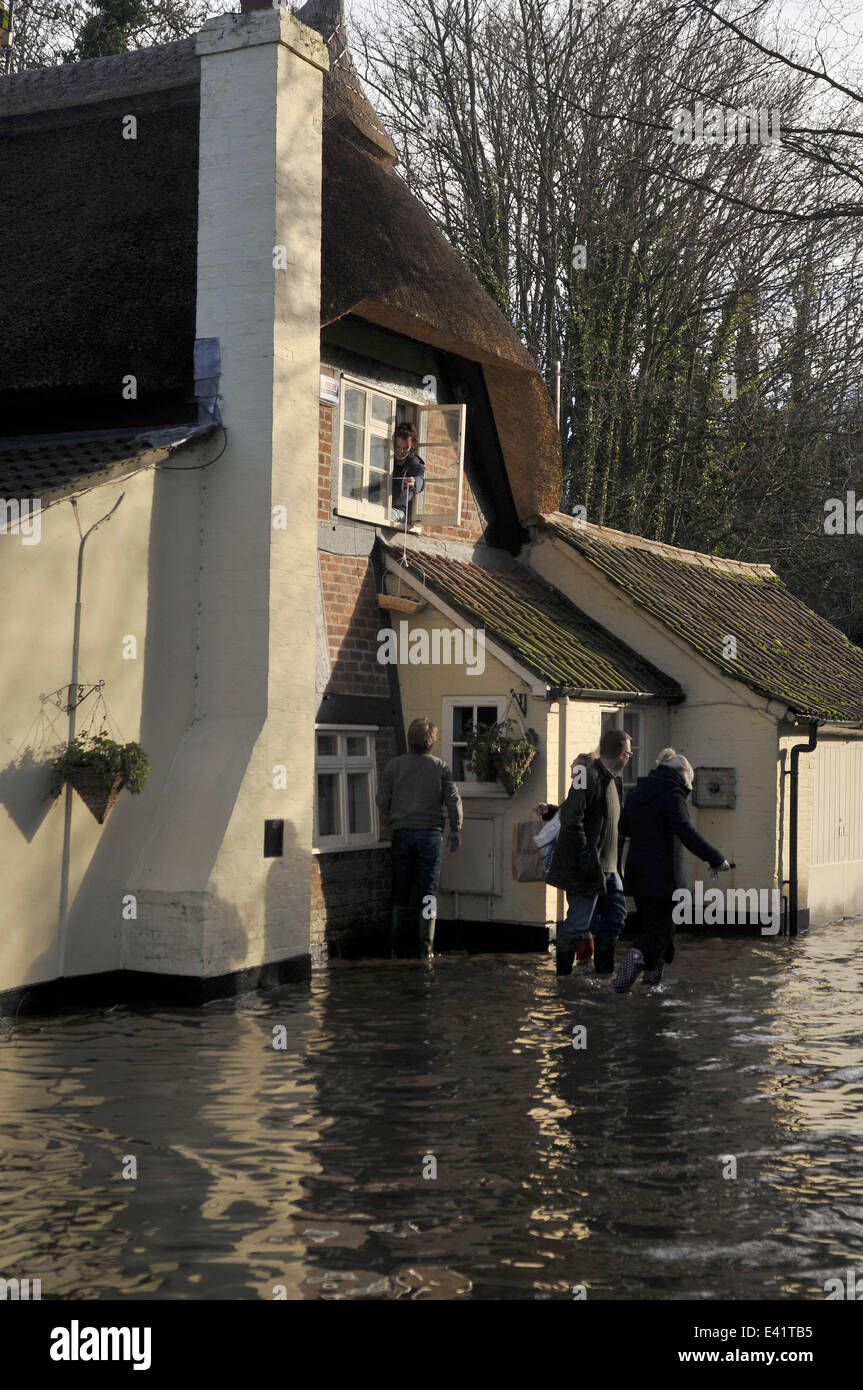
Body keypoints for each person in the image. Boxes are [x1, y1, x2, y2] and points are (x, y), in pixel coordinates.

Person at [611, 747, 731, 993]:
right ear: (684, 775)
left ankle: (651, 988)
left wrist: (620, 869)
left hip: (637, 875)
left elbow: (623, 828)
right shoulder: (672, 794)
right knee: (658, 934)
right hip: (664, 878)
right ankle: (619, 985)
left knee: (661, 934)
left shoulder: (636, 792)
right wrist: (716, 858)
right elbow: (686, 832)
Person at [543, 727, 632, 977]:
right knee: (576, 925)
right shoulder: (587, 773)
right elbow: (572, 816)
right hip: (590, 865)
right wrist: (585, 856)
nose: (629, 759)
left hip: (610, 867)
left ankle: (602, 974)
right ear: (622, 754)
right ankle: (563, 979)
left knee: (616, 917)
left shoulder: (613, 781)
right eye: (629, 754)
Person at [376, 717, 462, 958]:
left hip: (401, 834)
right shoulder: (441, 767)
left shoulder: (394, 766)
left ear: (409, 739)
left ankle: (394, 947)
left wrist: (389, 823)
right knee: (428, 892)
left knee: (400, 890)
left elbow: (382, 800)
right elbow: (453, 800)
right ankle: (426, 948)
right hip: (430, 835)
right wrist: (456, 829)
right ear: (431, 742)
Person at [390, 421, 426, 525]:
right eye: (397, 447)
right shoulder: (386, 457)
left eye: (405, 448)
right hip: (378, 505)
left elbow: (420, 481)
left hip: (398, 511)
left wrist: (413, 482)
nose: (400, 452)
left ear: (411, 448)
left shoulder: (415, 464)